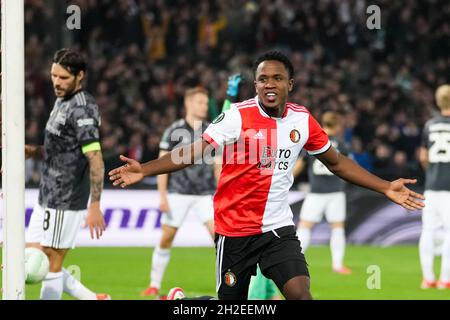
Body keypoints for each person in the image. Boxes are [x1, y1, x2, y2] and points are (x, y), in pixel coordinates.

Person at [109, 51, 425, 300]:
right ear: (256, 84)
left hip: (277, 229)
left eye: (277, 78)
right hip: (234, 231)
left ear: (291, 84)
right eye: (262, 79)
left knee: (301, 295)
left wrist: (385, 187)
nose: (269, 84)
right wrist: (146, 168)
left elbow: (338, 162)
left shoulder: (302, 120)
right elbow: (196, 149)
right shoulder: (237, 116)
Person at [25, 48, 109, 300]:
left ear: (79, 76)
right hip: (47, 194)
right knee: (32, 258)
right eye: (54, 76)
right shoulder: (62, 100)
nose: (56, 82)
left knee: (50, 263)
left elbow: (95, 159)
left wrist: (95, 204)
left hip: (66, 197)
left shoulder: (83, 109)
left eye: (63, 78)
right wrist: (35, 151)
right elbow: (62, 147)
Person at [141, 87, 219, 298]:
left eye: (206, 103)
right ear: (189, 104)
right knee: (167, 237)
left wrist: (222, 193)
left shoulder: (212, 130)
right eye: (201, 102)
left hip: (205, 194)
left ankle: (227, 283)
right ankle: (154, 285)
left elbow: (217, 165)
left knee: (220, 239)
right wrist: (162, 196)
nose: (204, 106)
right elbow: (161, 165)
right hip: (178, 193)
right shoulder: (174, 131)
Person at [295, 111, 352, 274]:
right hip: (335, 191)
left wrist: (287, 179)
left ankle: (295, 260)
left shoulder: (314, 141)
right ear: (337, 125)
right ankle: (338, 265)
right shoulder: (341, 144)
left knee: (305, 226)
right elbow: (346, 167)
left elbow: (300, 164)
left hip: (316, 192)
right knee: (337, 227)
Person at [418, 84, 450, 290]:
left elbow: (423, 157)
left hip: (432, 186)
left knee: (428, 231)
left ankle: (428, 278)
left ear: (438, 102)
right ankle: (445, 279)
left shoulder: (429, 125)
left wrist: (433, 172)